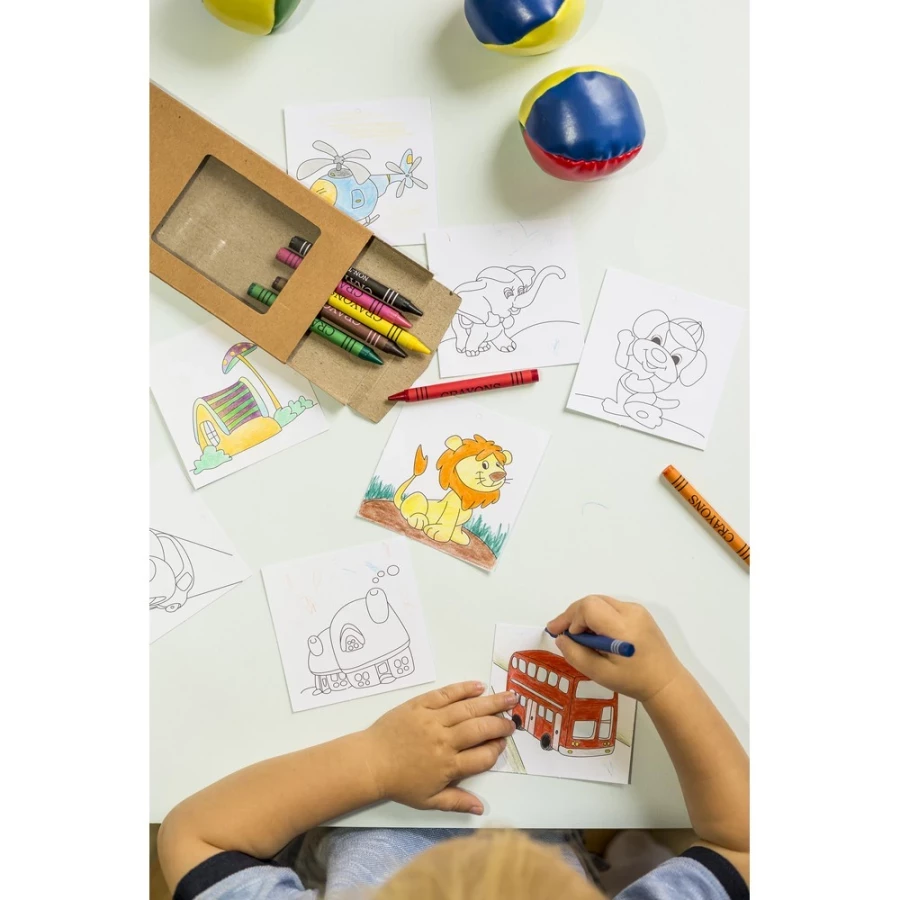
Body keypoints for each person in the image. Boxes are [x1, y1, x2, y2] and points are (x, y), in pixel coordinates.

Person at [158, 596, 749, 899]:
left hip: (339, 805)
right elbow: (744, 844)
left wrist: (375, 763)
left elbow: (193, 835)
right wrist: (665, 683)